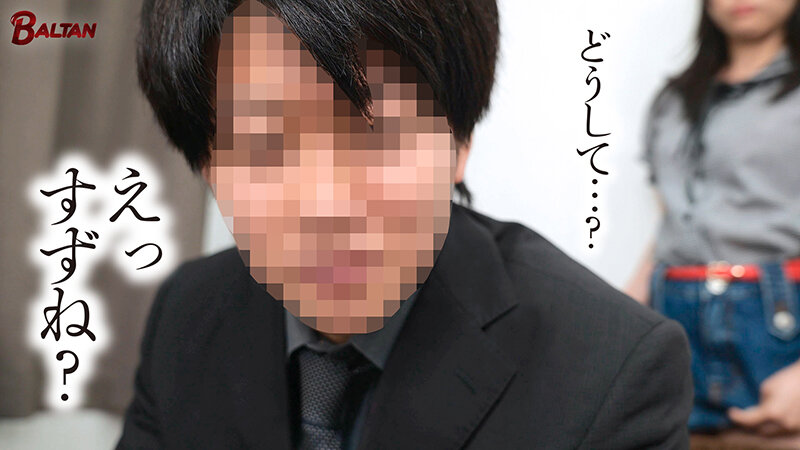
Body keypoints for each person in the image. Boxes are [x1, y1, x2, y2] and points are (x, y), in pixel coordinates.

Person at [118, 0, 693, 448]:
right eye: (267, 147)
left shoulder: (611, 371)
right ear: (207, 164)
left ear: (460, 142)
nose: (328, 206)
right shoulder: (188, 314)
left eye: (377, 136)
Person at [627, 0, 800, 440]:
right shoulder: (672, 99)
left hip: (774, 324)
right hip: (671, 316)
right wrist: (622, 316)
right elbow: (672, 218)